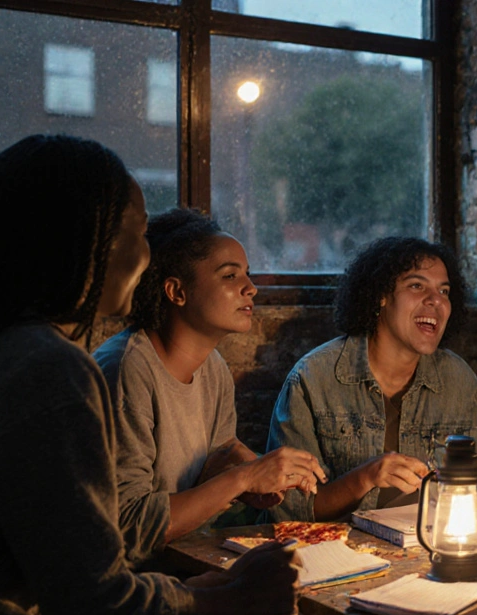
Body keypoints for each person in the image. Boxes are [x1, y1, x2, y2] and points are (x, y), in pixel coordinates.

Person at [0, 135, 341, 615]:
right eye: (137, 233)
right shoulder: (47, 367)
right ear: (79, 239)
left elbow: (78, 583)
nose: (146, 254)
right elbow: (91, 605)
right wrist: (228, 595)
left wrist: (216, 581)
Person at [94, 208, 324, 565]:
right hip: (128, 582)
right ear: (176, 291)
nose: (251, 288)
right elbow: (130, 525)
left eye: (246, 274)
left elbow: (217, 451)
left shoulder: (212, 365)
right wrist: (245, 478)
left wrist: (266, 474)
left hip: (181, 559)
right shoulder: (127, 369)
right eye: (230, 275)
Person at [264, 236, 477, 524]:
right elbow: (288, 512)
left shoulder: (460, 382)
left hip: (426, 550)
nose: (435, 300)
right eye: (417, 286)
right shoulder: (313, 379)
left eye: (444, 291)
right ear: (381, 295)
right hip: (332, 553)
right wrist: (366, 477)